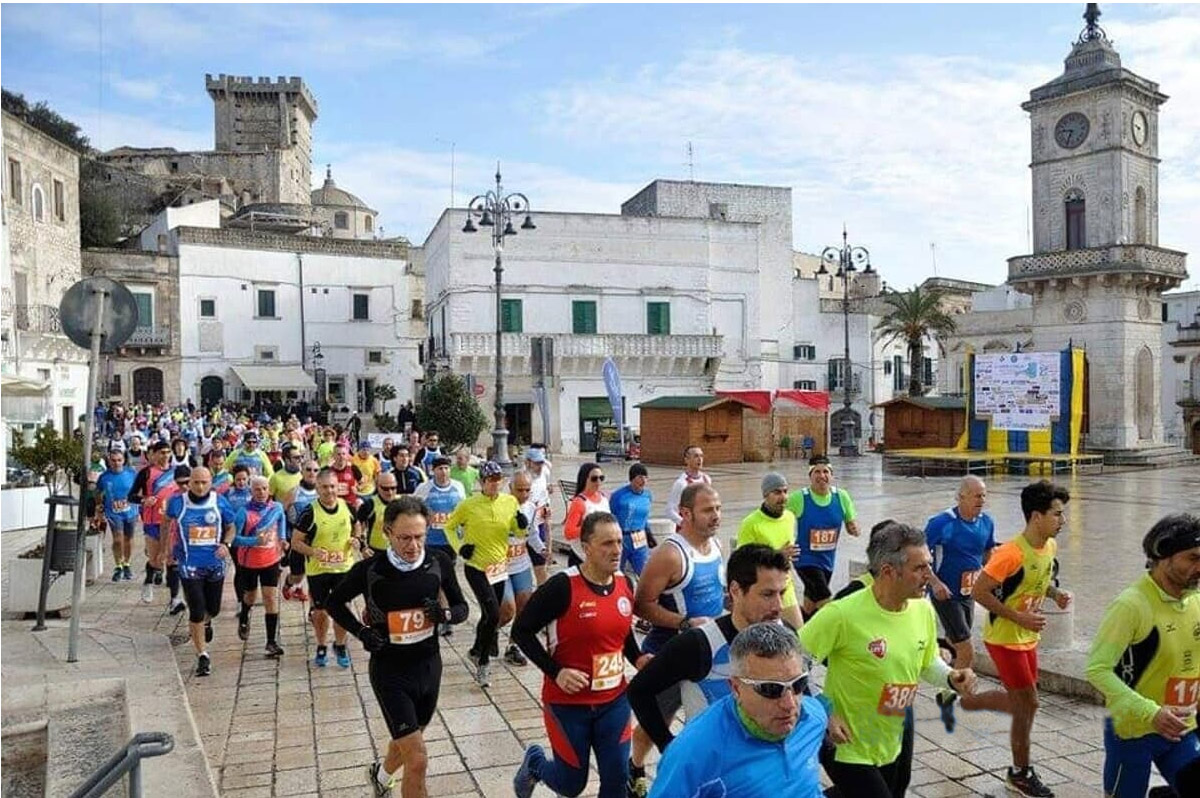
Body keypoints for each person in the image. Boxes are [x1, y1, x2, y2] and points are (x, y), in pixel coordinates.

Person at [800, 522, 976, 798]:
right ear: (888, 572)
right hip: (847, 745)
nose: (929, 575)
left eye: (929, 565)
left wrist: (950, 677)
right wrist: (823, 712)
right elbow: (791, 665)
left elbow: (927, 661)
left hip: (891, 737)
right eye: (919, 568)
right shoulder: (841, 614)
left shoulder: (922, 610)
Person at [326, 496, 470, 798]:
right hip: (390, 672)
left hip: (429, 668)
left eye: (419, 536)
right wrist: (362, 632)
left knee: (408, 739)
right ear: (387, 532)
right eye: (404, 537)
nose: (413, 545)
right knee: (417, 759)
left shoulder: (438, 562)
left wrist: (444, 615)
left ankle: (380, 774)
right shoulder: (370, 570)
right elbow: (334, 603)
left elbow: (461, 607)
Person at [512, 511, 650, 798]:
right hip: (567, 704)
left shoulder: (625, 583)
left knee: (617, 782)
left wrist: (636, 658)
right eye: (606, 544)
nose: (615, 550)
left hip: (614, 700)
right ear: (586, 548)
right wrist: (556, 671)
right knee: (571, 784)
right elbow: (521, 631)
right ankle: (535, 763)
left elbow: (620, 633)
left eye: (618, 542)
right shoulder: (562, 586)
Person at [628, 544, 790, 754]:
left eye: (782, 593)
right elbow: (639, 691)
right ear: (735, 591)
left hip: (765, 766)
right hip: (712, 772)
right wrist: (667, 745)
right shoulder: (700, 644)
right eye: (767, 595)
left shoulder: (786, 634)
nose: (778, 606)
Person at [1086, 513, 1200, 798]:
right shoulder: (1131, 605)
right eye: (1193, 558)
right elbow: (1098, 669)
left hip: (1182, 728)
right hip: (1133, 731)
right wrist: (1151, 711)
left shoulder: (1195, 600)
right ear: (1163, 556)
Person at [972, 480, 1072, 798]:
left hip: (1027, 636)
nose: (1063, 520)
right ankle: (1020, 773)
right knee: (1028, 702)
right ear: (1035, 516)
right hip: (1004, 638)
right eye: (1057, 514)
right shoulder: (1010, 553)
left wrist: (1055, 594)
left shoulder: (1050, 547)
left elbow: (1038, 581)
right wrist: (1018, 616)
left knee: (1026, 705)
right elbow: (979, 591)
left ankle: (1020, 768)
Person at [648, 623, 827, 798]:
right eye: (771, 689)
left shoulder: (814, 718)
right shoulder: (694, 753)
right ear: (736, 688)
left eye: (798, 684)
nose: (790, 704)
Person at [629, 483, 726, 796]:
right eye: (708, 510)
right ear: (685, 513)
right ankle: (635, 767)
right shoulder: (670, 554)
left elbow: (715, 595)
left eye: (719, 508)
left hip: (707, 653)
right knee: (658, 720)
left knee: (709, 723)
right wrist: (684, 623)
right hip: (666, 653)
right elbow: (641, 604)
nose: (716, 516)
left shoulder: (716, 546)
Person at [924, 475, 1005, 731]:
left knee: (956, 643)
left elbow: (988, 552)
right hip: (945, 594)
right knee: (967, 649)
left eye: (984, 495)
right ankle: (950, 694)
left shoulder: (987, 522)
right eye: (977, 495)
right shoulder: (941, 523)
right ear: (961, 497)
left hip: (968, 592)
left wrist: (991, 578)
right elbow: (920, 557)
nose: (982, 500)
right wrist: (935, 583)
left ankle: (933, 651)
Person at [446, 461, 523, 687]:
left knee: (493, 615)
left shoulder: (510, 501)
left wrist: (521, 525)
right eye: (490, 480)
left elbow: (517, 530)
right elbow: (449, 527)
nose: (495, 484)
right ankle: (483, 662)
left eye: (498, 480)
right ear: (481, 482)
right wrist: (460, 547)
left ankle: (477, 648)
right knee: (491, 611)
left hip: (499, 568)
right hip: (476, 566)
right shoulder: (468, 505)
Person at [163, 466, 239, 677]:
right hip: (189, 564)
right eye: (196, 482)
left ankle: (207, 621)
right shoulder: (177, 502)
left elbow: (231, 527)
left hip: (214, 564)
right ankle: (202, 655)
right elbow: (166, 523)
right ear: (190, 483)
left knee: (212, 609)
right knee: (196, 609)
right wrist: (166, 550)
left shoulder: (219, 501)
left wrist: (226, 544)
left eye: (204, 482)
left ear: (210, 482)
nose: (199, 486)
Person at [292, 466, 363, 668]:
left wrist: (356, 539)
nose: (329, 491)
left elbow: (357, 524)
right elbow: (296, 542)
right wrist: (313, 552)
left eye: (332, 486)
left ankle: (340, 645)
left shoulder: (348, 507)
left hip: (343, 567)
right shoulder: (309, 512)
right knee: (321, 611)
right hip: (319, 570)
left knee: (343, 608)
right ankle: (322, 645)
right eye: (324, 487)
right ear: (317, 488)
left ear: (337, 487)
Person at [787, 454, 860, 619]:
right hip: (804, 559)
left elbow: (851, 523)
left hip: (827, 560)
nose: (822, 476)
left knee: (811, 603)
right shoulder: (799, 498)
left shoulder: (841, 497)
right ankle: (835, 631)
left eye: (825, 472)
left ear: (831, 475)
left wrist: (853, 528)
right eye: (817, 472)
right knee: (825, 601)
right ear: (810, 476)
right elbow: (780, 520)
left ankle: (803, 626)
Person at [736, 471, 804, 630]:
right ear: (766, 495)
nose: (783, 497)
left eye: (785, 491)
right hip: (762, 593)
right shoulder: (751, 523)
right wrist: (776, 555)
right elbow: (742, 562)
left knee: (798, 638)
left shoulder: (789, 517)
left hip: (786, 589)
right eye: (777, 492)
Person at [233, 475, 287, 657]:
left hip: (270, 560)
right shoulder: (243, 512)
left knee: (270, 598)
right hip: (249, 562)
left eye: (264, 488)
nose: (262, 493)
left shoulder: (276, 507)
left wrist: (283, 538)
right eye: (257, 489)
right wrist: (254, 540)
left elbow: (281, 521)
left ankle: (271, 642)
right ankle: (245, 614)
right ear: (251, 491)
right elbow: (234, 539)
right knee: (250, 595)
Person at [499, 471, 538, 666]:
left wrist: (541, 550)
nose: (523, 494)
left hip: (521, 564)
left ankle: (513, 646)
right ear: (510, 488)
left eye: (527, 490)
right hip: (500, 566)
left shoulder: (531, 507)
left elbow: (532, 534)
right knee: (507, 611)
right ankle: (488, 632)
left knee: (524, 607)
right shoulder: (500, 507)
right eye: (519, 490)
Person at [95, 447, 139, 586]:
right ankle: (118, 565)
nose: (116, 463)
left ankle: (127, 563)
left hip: (131, 511)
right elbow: (98, 492)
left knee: (129, 538)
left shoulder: (131, 473)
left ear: (124, 460)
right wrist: (99, 506)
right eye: (113, 460)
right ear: (109, 461)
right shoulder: (104, 477)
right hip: (113, 513)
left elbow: (140, 489)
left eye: (119, 460)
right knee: (118, 539)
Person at [413, 456, 466, 564]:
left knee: (449, 569)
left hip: (451, 539)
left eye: (446, 468)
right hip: (431, 539)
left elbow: (464, 510)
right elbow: (413, 508)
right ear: (433, 470)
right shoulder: (424, 487)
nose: (444, 471)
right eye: (440, 468)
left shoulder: (458, 486)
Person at [281, 458, 320, 602]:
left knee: (315, 577)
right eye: (308, 469)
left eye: (316, 470)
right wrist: (283, 538)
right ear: (302, 471)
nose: (312, 473)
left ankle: (313, 609)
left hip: (317, 541)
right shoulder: (293, 492)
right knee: (298, 576)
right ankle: (289, 583)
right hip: (297, 540)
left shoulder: (322, 491)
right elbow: (281, 514)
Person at [609, 464, 653, 578]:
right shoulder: (619, 496)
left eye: (645, 477)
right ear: (632, 478)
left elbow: (645, 516)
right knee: (617, 573)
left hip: (639, 538)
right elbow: (611, 517)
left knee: (644, 573)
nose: (643, 480)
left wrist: (648, 533)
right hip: (622, 538)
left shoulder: (648, 495)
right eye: (639, 477)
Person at [563, 463, 610, 566]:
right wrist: (590, 528)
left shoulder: (604, 498)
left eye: (601, 478)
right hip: (581, 556)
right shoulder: (579, 502)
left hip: (599, 556)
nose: (598, 482)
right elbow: (568, 532)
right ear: (585, 479)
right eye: (594, 478)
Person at [665, 445, 709, 533]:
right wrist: (683, 523)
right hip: (686, 532)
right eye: (696, 456)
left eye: (701, 456)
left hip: (703, 529)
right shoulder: (681, 484)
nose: (700, 459)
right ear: (687, 460)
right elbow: (670, 510)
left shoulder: (707, 479)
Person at [357, 471, 400, 558]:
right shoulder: (370, 504)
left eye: (393, 488)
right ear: (377, 487)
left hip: (397, 551)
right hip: (375, 552)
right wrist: (363, 547)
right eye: (385, 488)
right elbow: (357, 525)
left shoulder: (402, 502)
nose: (390, 492)